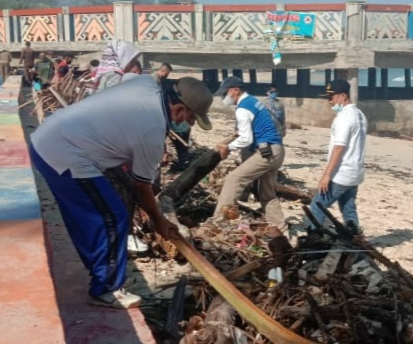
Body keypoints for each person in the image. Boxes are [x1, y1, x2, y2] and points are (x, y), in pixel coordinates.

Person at [29, 75, 214, 309]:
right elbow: (141, 186)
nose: (190, 124)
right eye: (191, 118)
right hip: (65, 154)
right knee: (112, 218)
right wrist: (159, 220)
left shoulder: (147, 83)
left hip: (51, 137)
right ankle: (106, 290)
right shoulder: (153, 130)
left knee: (89, 215)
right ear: (178, 108)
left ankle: (100, 272)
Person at [213, 76, 287, 232]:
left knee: (234, 179)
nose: (224, 98)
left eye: (225, 94)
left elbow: (246, 139)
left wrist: (228, 148)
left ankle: (217, 223)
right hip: (277, 150)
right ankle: (283, 232)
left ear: (235, 90)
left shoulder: (243, 108)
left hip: (267, 151)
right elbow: (252, 128)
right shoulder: (253, 101)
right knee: (267, 194)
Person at [308, 79, 368, 232]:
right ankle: (355, 240)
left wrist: (327, 175)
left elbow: (339, 148)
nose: (329, 102)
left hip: (341, 173)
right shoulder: (360, 115)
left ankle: (312, 240)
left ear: (342, 96)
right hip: (355, 173)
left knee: (317, 205)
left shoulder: (344, 118)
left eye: (331, 97)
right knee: (348, 209)